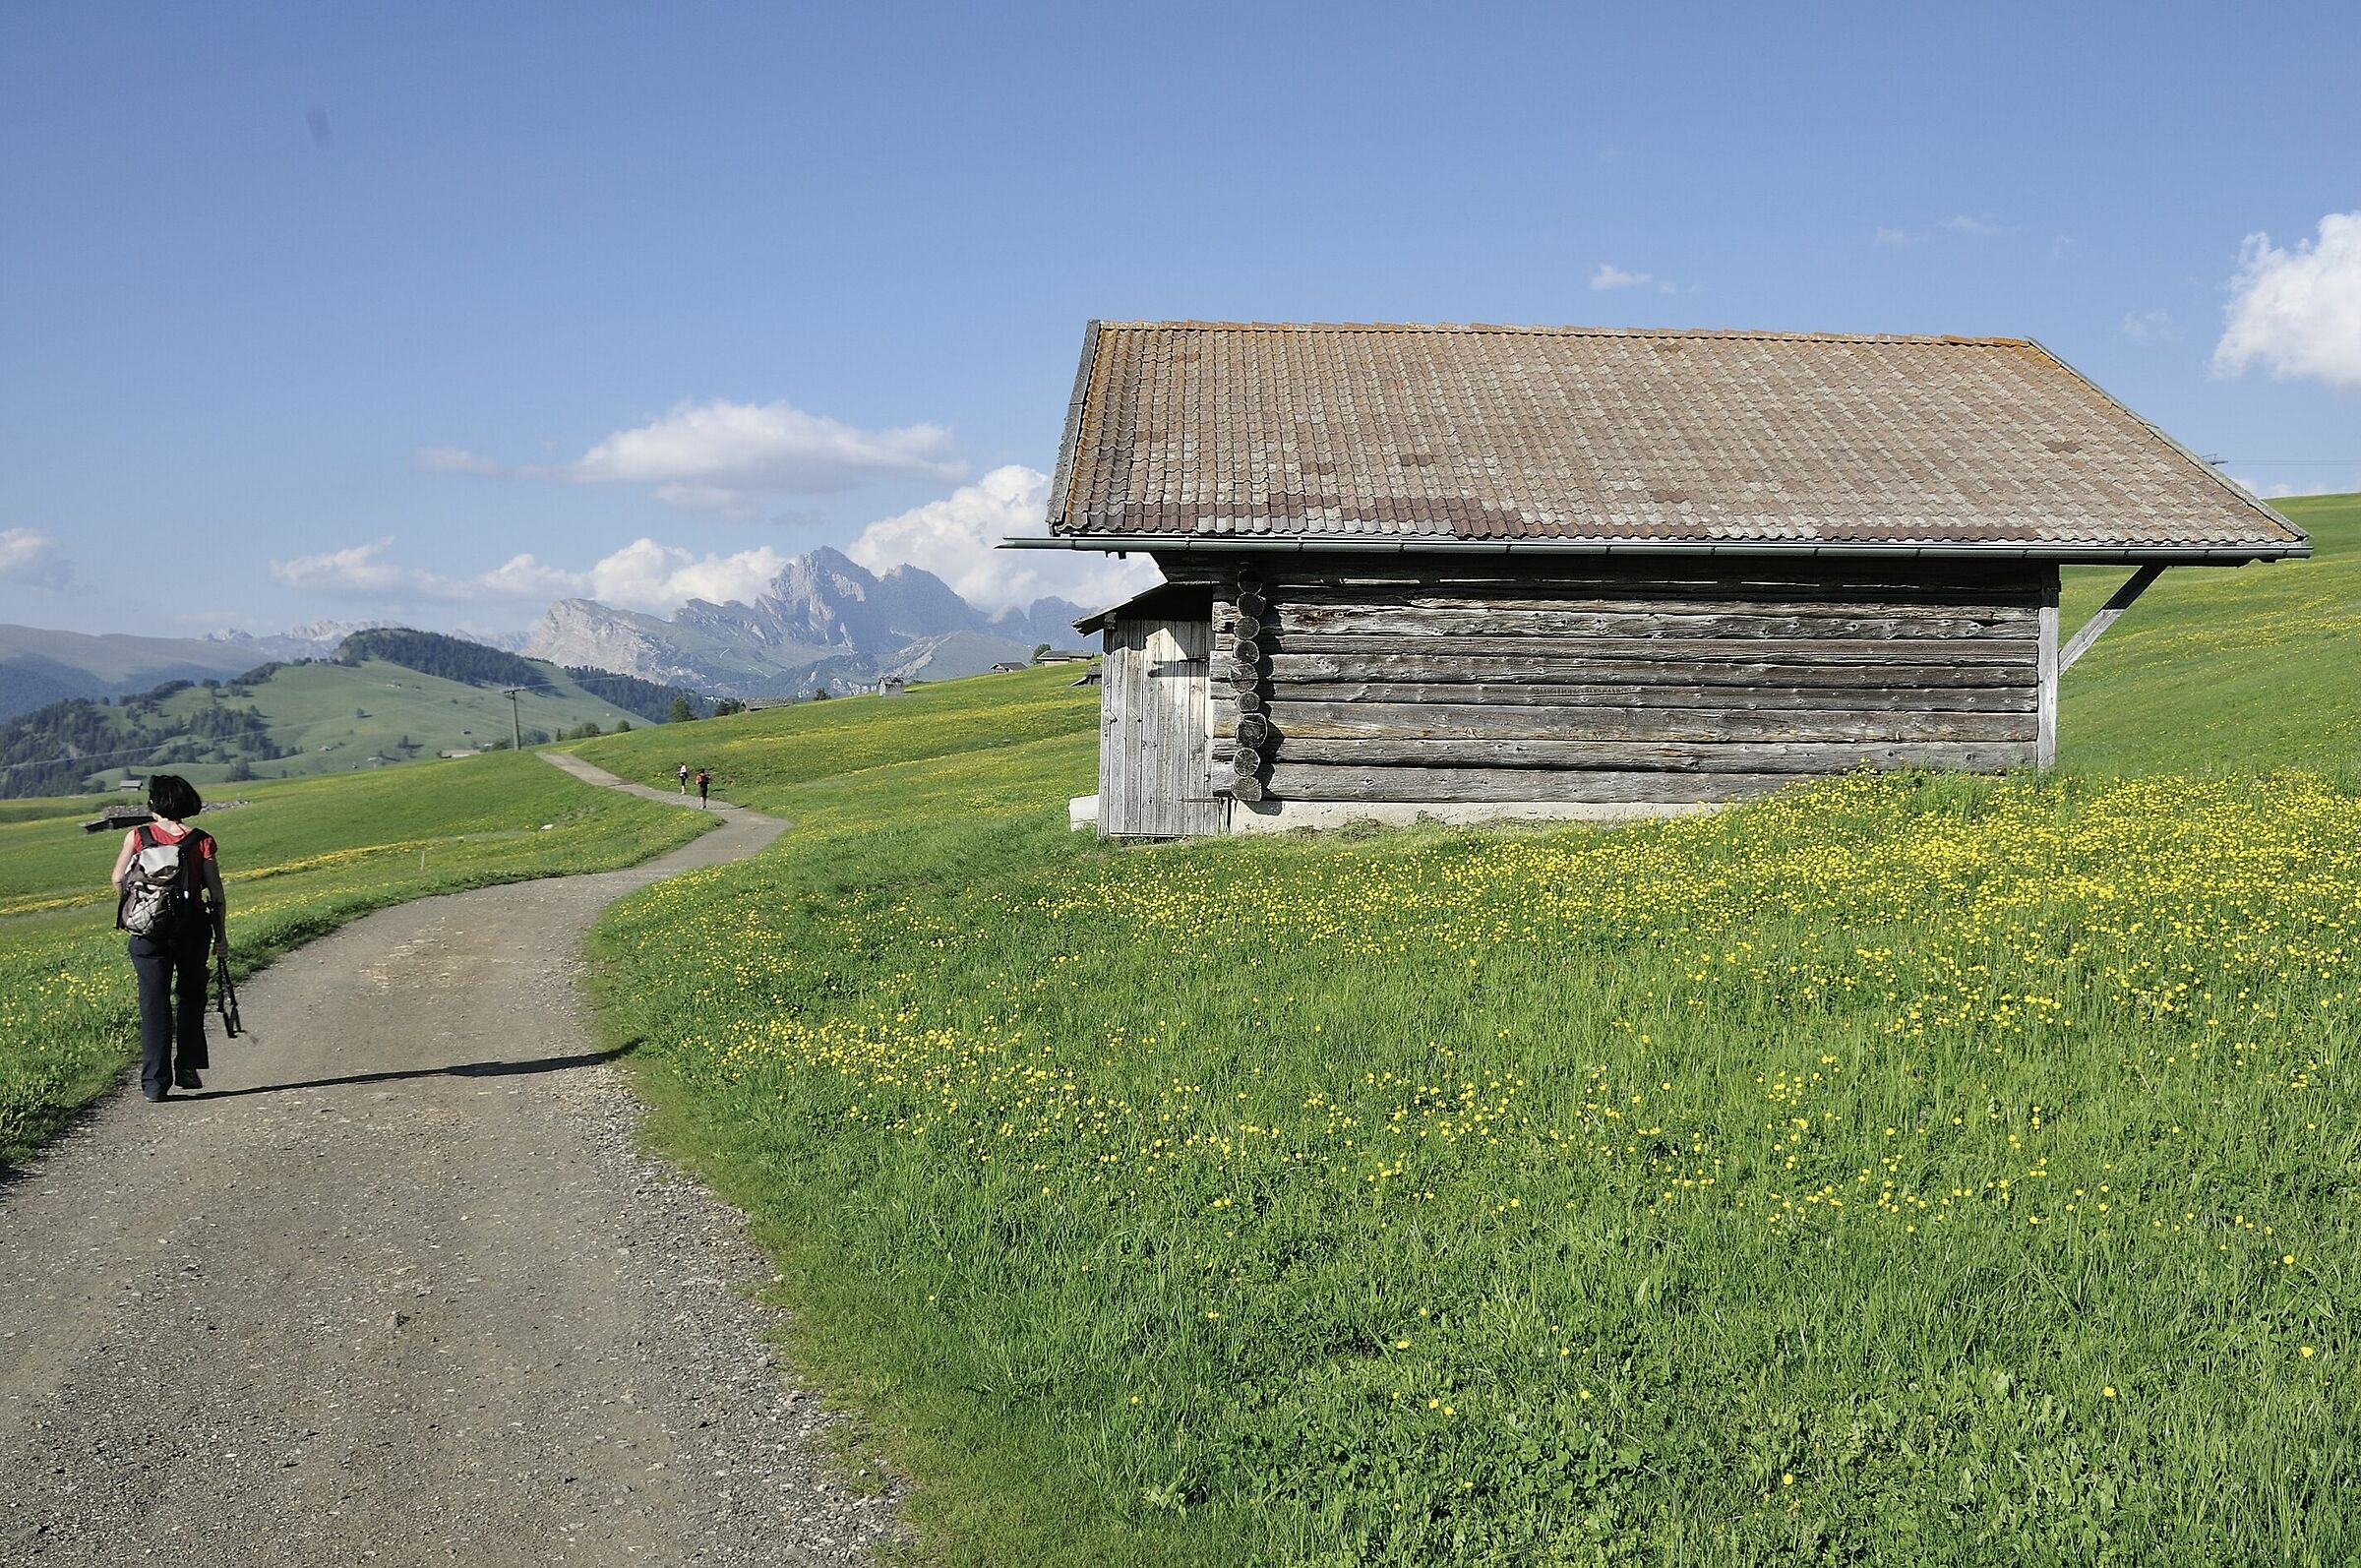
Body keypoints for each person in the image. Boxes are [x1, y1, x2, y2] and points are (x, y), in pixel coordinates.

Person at [108, 773, 226, 1102]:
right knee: (190, 998)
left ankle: (154, 1085)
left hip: (147, 934)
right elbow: (216, 893)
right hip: (191, 930)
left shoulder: (139, 836)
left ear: (155, 804)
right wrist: (221, 937)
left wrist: (135, 910)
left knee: (153, 1004)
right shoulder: (201, 840)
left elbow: (118, 877)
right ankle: (187, 1067)